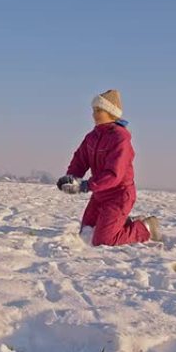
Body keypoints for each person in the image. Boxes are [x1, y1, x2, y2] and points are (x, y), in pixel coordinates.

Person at [57, 89, 161, 246]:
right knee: (86, 231)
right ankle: (121, 222)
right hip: (100, 195)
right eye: (93, 110)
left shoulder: (120, 138)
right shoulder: (92, 136)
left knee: (103, 240)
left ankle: (145, 227)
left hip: (119, 196)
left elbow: (114, 174)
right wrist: (72, 178)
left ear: (111, 112)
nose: (94, 114)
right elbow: (80, 159)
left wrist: (86, 185)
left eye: (98, 110)